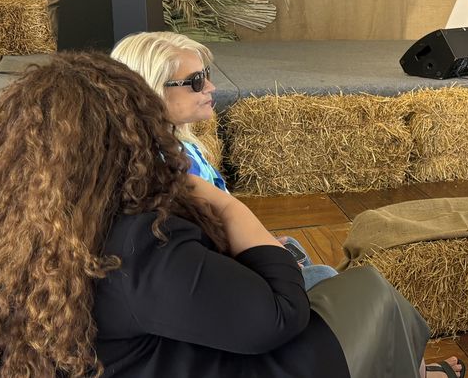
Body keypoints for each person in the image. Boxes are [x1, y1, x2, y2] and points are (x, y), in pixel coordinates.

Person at [0, 52, 463, 378]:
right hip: (221, 357)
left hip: (146, 350)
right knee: (370, 293)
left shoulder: (14, 222)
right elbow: (278, 317)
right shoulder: (136, 243)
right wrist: (223, 203)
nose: (209, 87)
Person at [111, 31, 338, 290]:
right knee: (325, 276)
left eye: (206, 74)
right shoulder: (160, 172)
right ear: (151, 91)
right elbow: (197, 249)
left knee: (296, 250)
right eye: (196, 81)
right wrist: (267, 259)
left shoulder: (180, 146)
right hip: (218, 276)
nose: (210, 87)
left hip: (224, 260)